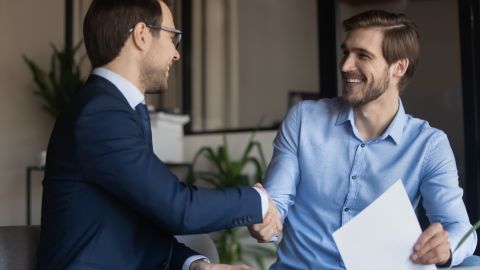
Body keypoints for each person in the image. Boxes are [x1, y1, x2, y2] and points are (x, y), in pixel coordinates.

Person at [35, 0, 281, 269]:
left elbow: (138, 225)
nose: (176, 55)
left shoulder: (115, 108)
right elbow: (179, 209)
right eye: (172, 37)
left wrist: (196, 265)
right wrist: (258, 202)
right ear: (142, 35)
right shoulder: (100, 113)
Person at [248, 10, 477, 269]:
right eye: (346, 52)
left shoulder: (429, 145)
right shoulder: (304, 119)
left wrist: (446, 248)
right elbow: (277, 203)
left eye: (363, 56)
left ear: (398, 68)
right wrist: (268, 220)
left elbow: (459, 228)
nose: (345, 66)